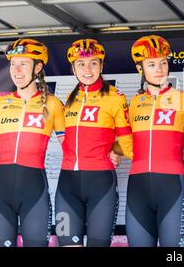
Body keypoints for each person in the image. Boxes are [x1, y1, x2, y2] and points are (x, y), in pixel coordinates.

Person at [119, 35, 184, 247]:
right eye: (151, 64)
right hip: (138, 187)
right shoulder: (133, 103)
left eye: (163, 62)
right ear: (140, 69)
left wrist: (176, 144)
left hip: (172, 186)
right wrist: (113, 151)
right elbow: (126, 141)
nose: (159, 69)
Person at [55, 39, 132, 247]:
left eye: (93, 63)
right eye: (81, 64)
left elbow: (128, 143)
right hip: (67, 184)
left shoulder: (116, 98)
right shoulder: (67, 100)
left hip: (101, 184)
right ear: (73, 68)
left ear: (101, 66)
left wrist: (115, 149)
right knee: (67, 244)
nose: (87, 69)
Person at [0, 39, 65, 247]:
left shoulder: (53, 104)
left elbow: (70, 149)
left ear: (38, 67)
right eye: (13, 63)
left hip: (34, 190)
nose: (16, 70)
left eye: (23, 63)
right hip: (0, 191)